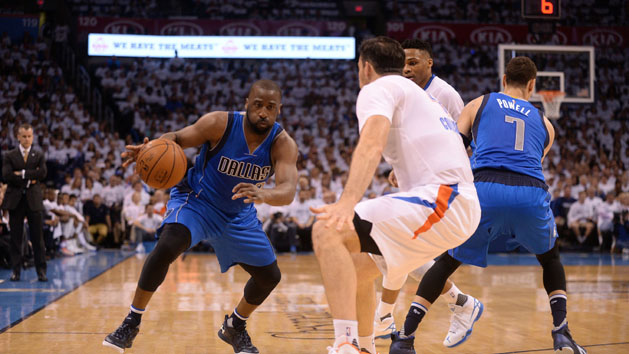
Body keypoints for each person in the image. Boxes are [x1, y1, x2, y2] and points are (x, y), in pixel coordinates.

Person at [393, 57, 586, 354]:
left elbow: (450, 148)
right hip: (530, 192)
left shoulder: (480, 103)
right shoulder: (546, 124)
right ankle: (561, 332)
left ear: (504, 78)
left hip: (485, 189)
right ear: (533, 85)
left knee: (446, 262)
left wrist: (409, 169)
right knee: (550, 259)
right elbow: (533, 162)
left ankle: (405, 338)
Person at [310, 37, 481, 354]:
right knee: (358, 267)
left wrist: (347, 203)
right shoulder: (419, 94)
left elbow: (372, 143)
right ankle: (364, 347)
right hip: (455, 201)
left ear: (366, 67)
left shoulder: (377, 88)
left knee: (327, 229)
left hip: (445, 198)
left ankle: (344, 342)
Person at [103, 79, 298, 354]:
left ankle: (235, 326)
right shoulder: (220, 123)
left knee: (270, 276)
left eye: (270, 107)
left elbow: (289, 190)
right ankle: (132, 321)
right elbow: (178, 138)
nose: (263, 112)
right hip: (198, 201)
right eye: (257, 105)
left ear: (279, 109)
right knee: (168, 246)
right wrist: (151, 149)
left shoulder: (283, 144)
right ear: (246, 104)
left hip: (237, 215)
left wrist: (265, 195)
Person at [371, 38, 479, 346]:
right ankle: (460, 303)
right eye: (403, 63)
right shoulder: (404, 93)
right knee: (379, 246)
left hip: (445, 189)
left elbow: (464, 144)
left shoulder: (445, 94)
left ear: (429, 63)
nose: (407, 68)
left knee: (384, 239)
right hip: (417, 185)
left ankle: (384, 319)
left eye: (414, 62)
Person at [1, 123, 48, 282]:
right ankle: (16, 271)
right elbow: (7, 175)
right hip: (15, 200)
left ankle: (41, 271)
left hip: (33, 200)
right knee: (16, 238)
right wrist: (30, 176)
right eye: (24, 136)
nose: (27, 139)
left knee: (38, 238)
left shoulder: (39, 154)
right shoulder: (9, 155)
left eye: (29, 136)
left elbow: (42, 173)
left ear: (33, 137)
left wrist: (20, 173)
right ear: (18, 137)